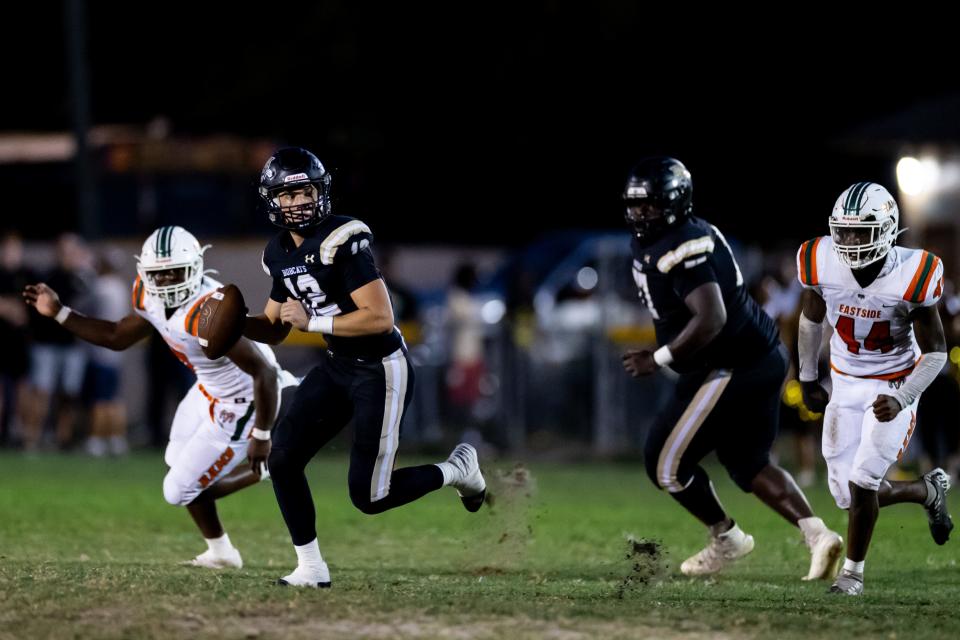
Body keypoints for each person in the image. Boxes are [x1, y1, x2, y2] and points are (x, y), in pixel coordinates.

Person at [243, 147, 486, 588]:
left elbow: (381, 317)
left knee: (371, 497)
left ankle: (458, 470)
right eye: (288, 193)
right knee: (283, 457)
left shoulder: (343, 240)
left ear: (320, 192)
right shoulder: (277, 253)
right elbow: (275, 325)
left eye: (305, 191)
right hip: (338, 365)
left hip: (380, 368)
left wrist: (312, 321)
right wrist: (229, 325)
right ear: (272, 200)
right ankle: (311, 567)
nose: (298, 202)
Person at [620, 157, 842, 580]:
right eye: (634, 205)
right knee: (747, 461)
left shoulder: (683, 243)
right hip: (757, 357)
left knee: (664, 462)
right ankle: (818, 535)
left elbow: (711, 317)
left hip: (729, 364)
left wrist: (659, 356)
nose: (639, 214)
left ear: (673, 202)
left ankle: (727, 539)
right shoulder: (678, 235)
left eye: (648, 205)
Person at [24, 226, 291, 568]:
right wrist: (60, 311)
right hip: (207, 389)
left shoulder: (209, 311)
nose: (164, 281)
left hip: (243, 403)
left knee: (177, 490)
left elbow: (264, 373)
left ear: (195, 268)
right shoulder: (147, 295)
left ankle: (262, 471)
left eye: (173, 272)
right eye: (157, 274)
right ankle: (222, 552)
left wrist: (262, 435)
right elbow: (117, 335)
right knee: (176, 461)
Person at [796, 182, 952, 595]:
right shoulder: (819, 260)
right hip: (845, 381)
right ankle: (927, 490)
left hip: (895, 379)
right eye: (842, 232)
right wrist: (808, 377)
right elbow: (811, 320)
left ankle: (852, 575)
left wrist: (902, 396)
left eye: (859, 231)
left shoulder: (912, 273)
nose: (847, 242)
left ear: (886, 230)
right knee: (846, 495)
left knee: (864, 479)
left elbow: (937, 354)